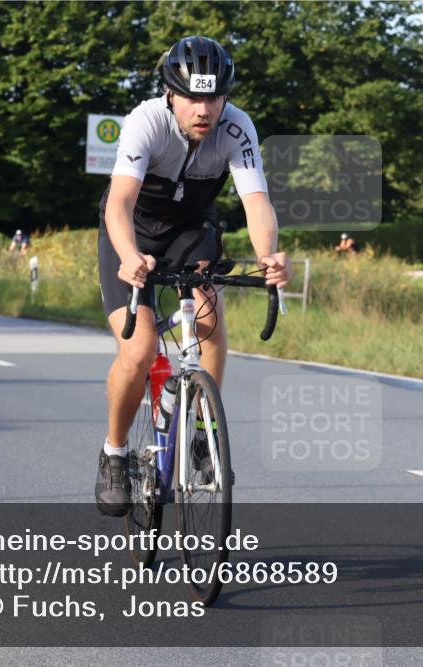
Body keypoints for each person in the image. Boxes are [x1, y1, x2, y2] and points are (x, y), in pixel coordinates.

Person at [95, 36, 292, 515]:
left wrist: (269, 255)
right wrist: (127, 255)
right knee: (140, 349)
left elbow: (256, 201)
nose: (204, 110)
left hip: (189, 231)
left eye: (214, 97)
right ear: (170, 94)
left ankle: (200, 431)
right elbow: (119, 203)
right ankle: (115, 453)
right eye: (192, 98)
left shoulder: (237, 127)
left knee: (209, 318)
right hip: (132, 233)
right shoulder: (146, 122)